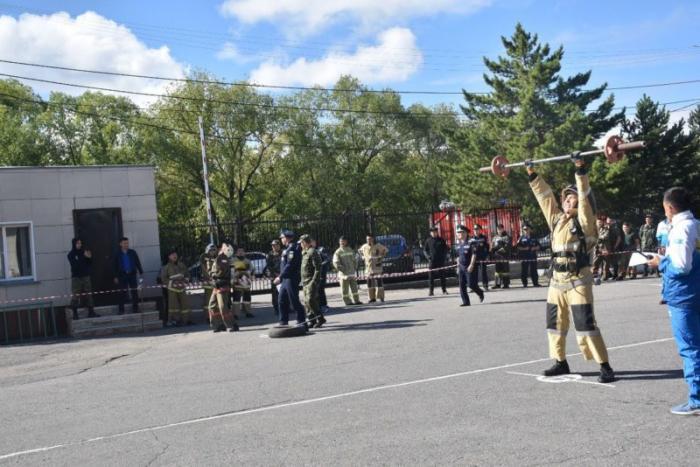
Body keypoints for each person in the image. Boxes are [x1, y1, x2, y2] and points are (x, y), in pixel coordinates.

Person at [526, 156, 615, 383]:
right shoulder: (556, 220)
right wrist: (532, 173)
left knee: (585, 324)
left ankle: (604, 366)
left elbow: (585, 199)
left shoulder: (585, 223)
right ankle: (560, 361)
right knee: (554, 325)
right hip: (556, 282)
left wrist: (580, 170)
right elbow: (544, 198)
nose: (566, 201)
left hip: (578, 281)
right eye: (565, 198)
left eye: (571, 198)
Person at [647, 187, 700, 415]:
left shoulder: (681, 228)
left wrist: (660, 262)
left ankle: (696, 399)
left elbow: (680, 266)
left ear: (669, 207)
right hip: (694, 292)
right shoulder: (696, 224)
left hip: (685, 296)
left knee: (690, 349)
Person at [274, 230, 306, 327]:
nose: (281, 239)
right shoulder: (286, 249)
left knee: (293, 300)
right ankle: (283, 321)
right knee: (281, 300)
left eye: (282, 237)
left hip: (291, 279)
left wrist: (280, 277)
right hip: (285, 279)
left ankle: (301, 320)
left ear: (287, 238)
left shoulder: (293, 249)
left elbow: (290, 265)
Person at [208, 243, 238, 332]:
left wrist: (219, 280)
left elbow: (224, 273)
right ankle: (219, 324)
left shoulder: (223, 258)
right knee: (212, 306)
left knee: (223, 307)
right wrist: (213, 279)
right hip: (217, 284)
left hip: (222, 285)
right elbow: (214, 271)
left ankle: (232, 325)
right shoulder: (218, 258)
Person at [67, 238, 99, 320]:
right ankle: (75, 313)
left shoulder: (84, 252)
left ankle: (91, 312)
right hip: (76, 277)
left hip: (85, 276)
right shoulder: (71, 254)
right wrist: (83, 258)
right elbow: (75, 266)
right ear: (74, 244)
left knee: (89, 294)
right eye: (78, 243)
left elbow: (89, 263)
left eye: (80, 243)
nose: (79, 245)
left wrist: (89, 257)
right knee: (76, 295)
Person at [160, 249, 191, 326]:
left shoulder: (182, 265)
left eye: (175, 254)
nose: (174, 256)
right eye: (172, 254)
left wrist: (186, 280)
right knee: (174, 306)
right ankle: (174, 321)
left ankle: (186, 320)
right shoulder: (166, 267)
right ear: (169, 257)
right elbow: (164, 279)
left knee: (185, 305)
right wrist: (172, 283)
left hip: (182, 288)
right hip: (172, 290)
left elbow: (187, 274)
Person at [301, 235, 326, 328]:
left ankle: (320, 318)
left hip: (311, 281)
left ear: (305, 242)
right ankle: (312, 320)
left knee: (310, 300)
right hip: (305, 281)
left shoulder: (313, 252)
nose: (301, 245)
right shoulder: (304, 252)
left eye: (302, 243)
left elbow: (318, 268)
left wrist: (314, 281)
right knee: (306, 302)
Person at [113, 237, 143, 315]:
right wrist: (115, 276)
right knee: (122, 292)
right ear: (120, 244)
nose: (126, 244)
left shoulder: (132, 252)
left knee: (134, 292)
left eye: (127, 243)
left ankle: (135, 308)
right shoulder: (117, 254)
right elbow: (114, 266)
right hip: (122, 275)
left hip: (132, 274)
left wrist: (141, 272)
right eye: (124, 243)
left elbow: (137, 262)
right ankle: (121, 310)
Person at [456, 225, 483, 306]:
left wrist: (471, 265)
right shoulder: (459, 244)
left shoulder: (471, 242)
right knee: (462, 285)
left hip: (470, 266)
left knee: (471, 284)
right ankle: (466, 301)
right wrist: (458, 266)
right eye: (458, 232)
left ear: (466, 233)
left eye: (461, 232)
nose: (459, 234)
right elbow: (458, 256)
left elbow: (474, 254)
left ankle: (480, 292)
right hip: (461, 267)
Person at [333, 236, 362, 306]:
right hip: (344, 274)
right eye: (341, 241)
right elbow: (336, 263)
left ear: (346, 242)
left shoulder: (350, 250)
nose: (342, 242)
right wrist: (343, 270)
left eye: (343, 241)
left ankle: (357, 300)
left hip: (351, 272)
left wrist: (354, 268)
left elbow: (354, 260)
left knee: (354, 288)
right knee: (344, 289)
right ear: (339, 242)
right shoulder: (338, 252)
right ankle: (348, 302)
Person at [360, 234, 389, 303]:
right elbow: (360, 251)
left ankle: (381, 297)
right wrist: (362, 257)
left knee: (379, 283)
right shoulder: (364, 246)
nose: (368, 240)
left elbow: (386, 250)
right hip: (368, 268)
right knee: (369, 283)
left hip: (377, 267)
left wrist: (381, 257)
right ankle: (371, 298)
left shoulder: (378, 246)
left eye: (369, 239)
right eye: (367, 239)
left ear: (373, 239)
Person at [423, 226, 449, 296]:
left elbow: (446, 249)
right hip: (432, 261)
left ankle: (444, 290)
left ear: (437, 232)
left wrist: (444, 256)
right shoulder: (428, 240)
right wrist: (428, 257)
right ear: (430, 233)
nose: (434, 233)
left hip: (440, 261)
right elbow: (425, 250)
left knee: (442, 276)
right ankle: (431, 291)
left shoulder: (441, 240)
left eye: (435, 232)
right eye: (432, 232)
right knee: (431, 277)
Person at [231, 246, 254, 319]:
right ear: (236, 252)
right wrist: (233, 279)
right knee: (236, 299)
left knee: (247, 298)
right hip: (237, 283)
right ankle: (236, 314)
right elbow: (231, 271)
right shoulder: (232, 261)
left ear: (244, 252)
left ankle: (248, 312)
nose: (240, 252)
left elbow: (252, 270)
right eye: (239, 251)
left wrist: (251, 276)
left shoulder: (248, 261)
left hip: (246, 282)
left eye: (242, 251)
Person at [199, 243, 218, 324]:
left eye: (214, 250)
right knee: (208, 301)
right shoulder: (205, 259)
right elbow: (205, 270)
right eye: (211, 250)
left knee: (217, 301)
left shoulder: (217, 258)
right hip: (208, 282)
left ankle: (217, 316)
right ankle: (208, 317)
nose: (212, 252)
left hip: (217, 282)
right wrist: (210, 278)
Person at [311, 238, 331, 313]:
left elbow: (327, 259)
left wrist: (319, 266)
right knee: (313, 291)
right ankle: (316, 306)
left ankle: (323, 305)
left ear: (315, 242)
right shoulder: (307, 251)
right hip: (312, 275)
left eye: (312, 241)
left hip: (320, 273)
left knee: (320, 289)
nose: (311, 243)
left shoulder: (321, 250)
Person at [491, 224, 512, 289]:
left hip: (504, 255)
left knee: (505, 270)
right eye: (498, 229)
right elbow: (492, 245)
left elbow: (507, 246)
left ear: (503, 229)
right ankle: (497, 284)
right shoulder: (495, 237)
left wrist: (501, 249)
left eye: (500, 229)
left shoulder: (506, 237)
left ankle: (506, 284)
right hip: (497, 256)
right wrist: (492, 251)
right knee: (497, 271)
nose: (499, 230)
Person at [471, 224, 490, 290]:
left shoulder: (484, 237)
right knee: (474, 273)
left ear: (480, 230)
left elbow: (487, 247)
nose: (476, 231)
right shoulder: (471, 238)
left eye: (477, 229)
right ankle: (474, 287)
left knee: (483, 272)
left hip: (482, 257)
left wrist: (487, 255)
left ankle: (485, 285)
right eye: (475, 229)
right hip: (474, 258)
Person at [266, 239, 283, 316]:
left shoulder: (283, 253)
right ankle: (276, 308)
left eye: (275, 245)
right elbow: (269, 266)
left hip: (282, 274)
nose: (274, 247)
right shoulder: (270, 254)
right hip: (274, 276)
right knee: (275, 293)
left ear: (279, 245)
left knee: (283, 292)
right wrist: (275, 274)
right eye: (273, 245)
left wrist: (281, 274)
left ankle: (286, 307)